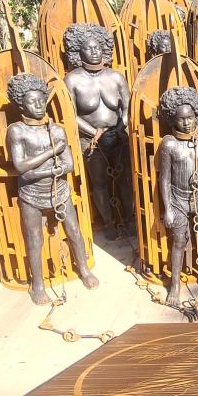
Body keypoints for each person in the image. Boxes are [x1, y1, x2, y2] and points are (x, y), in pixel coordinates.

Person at [5, 73, 100, 305]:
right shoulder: (16, 131)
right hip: (31, 194)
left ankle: (84, 270)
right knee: (34, 239)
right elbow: (20, 167)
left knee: (74, 232)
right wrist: (50, 154)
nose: (38, 106)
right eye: (32, 102)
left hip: (60, 191)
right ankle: (37, 284)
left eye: (41, 100)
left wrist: (45, 169)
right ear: (21, 104)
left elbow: (69, 164)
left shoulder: (56, 130)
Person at [62, 23, 133, 239]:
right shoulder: (72, 79)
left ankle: (128, 219)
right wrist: (93, 132)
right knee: (100, 182)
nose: (94, 51)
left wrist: (122, 126)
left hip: (118, 136)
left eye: (98, 47)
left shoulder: (116, 77)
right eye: (88, 48)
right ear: (79, 52)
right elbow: (70, 114)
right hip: (90, 140)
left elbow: (128, 106)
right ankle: (109, 221)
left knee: (125, 179)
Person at [156, 86, 198, 306]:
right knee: (178, 241)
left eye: (190, 118)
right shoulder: (169, 145)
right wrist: (168, 208)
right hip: (178, 199)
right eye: (181, 119)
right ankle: (174, 285)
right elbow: (164, 179)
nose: (186, 123)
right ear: (173, 119)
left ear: (197, 117)